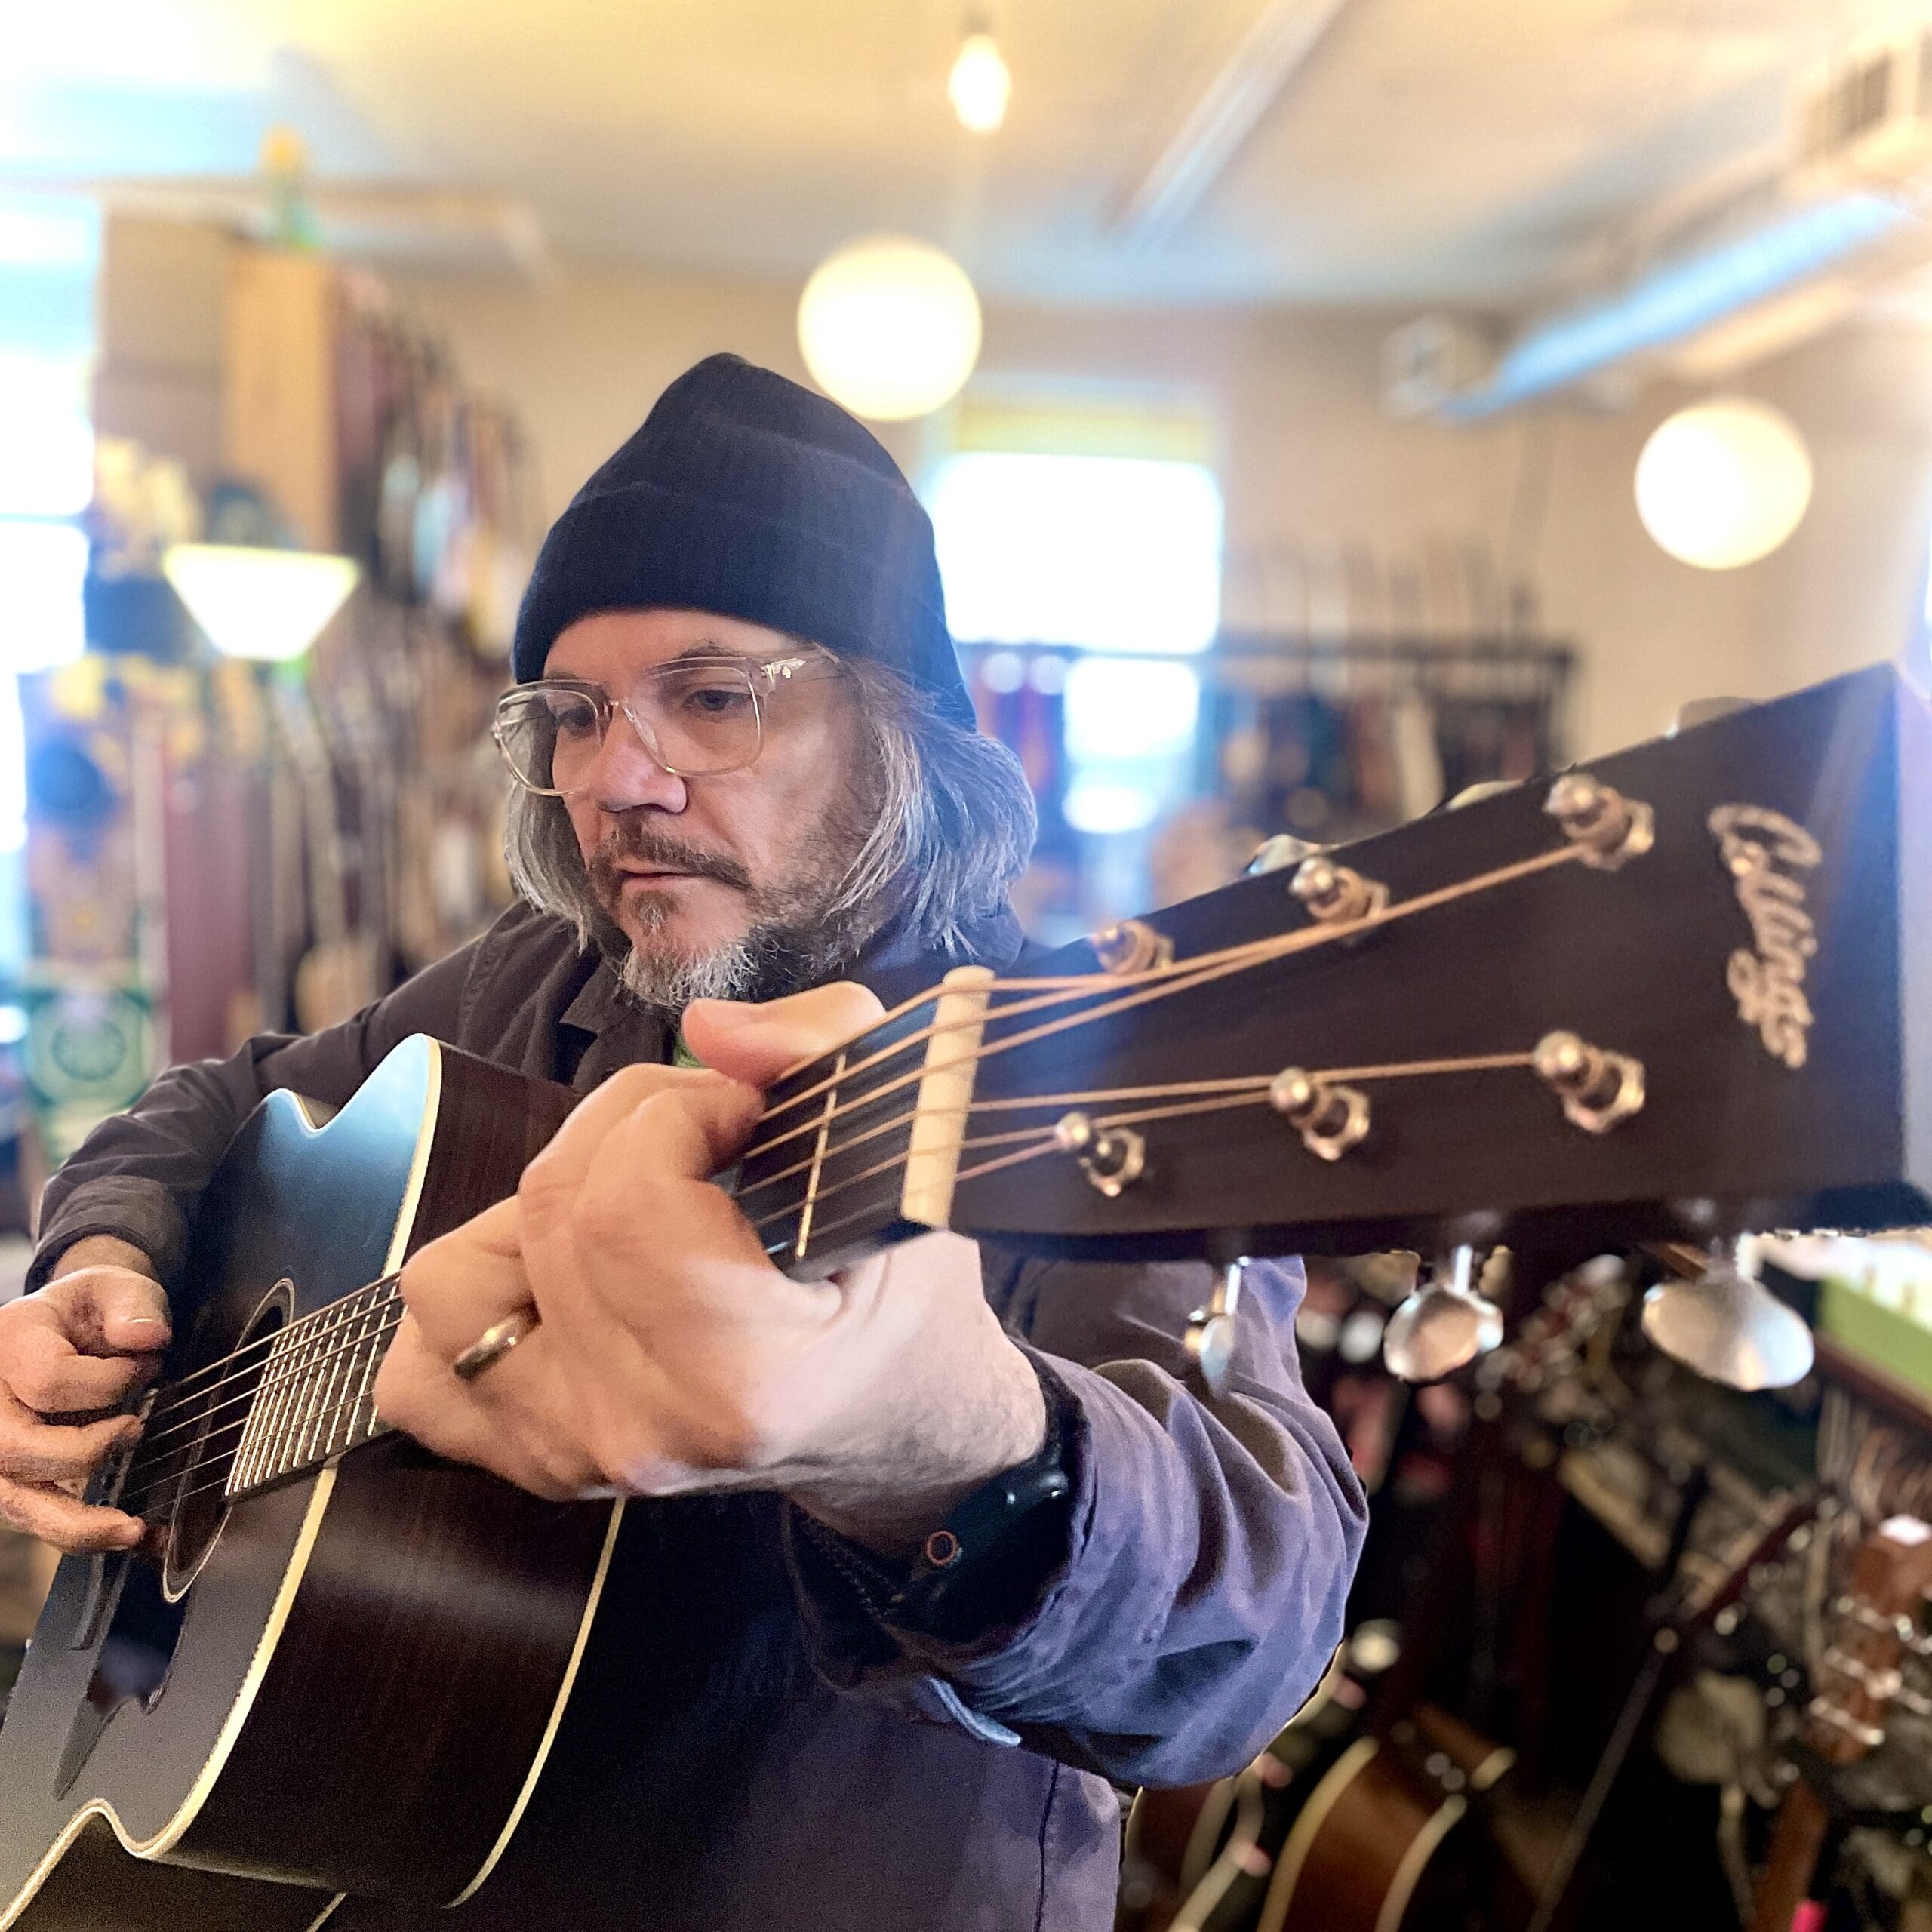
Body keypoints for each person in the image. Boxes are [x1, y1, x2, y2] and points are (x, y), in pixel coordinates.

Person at [0, 354, 1365, 1930]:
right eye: (572, 717)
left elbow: (1250, 1631)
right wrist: (104, 1254)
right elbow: (212, 1100)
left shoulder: (1076, 1072)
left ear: (897, 727)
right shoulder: (535, 978)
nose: (616, 779)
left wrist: (958, 1442)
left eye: (710, 698)